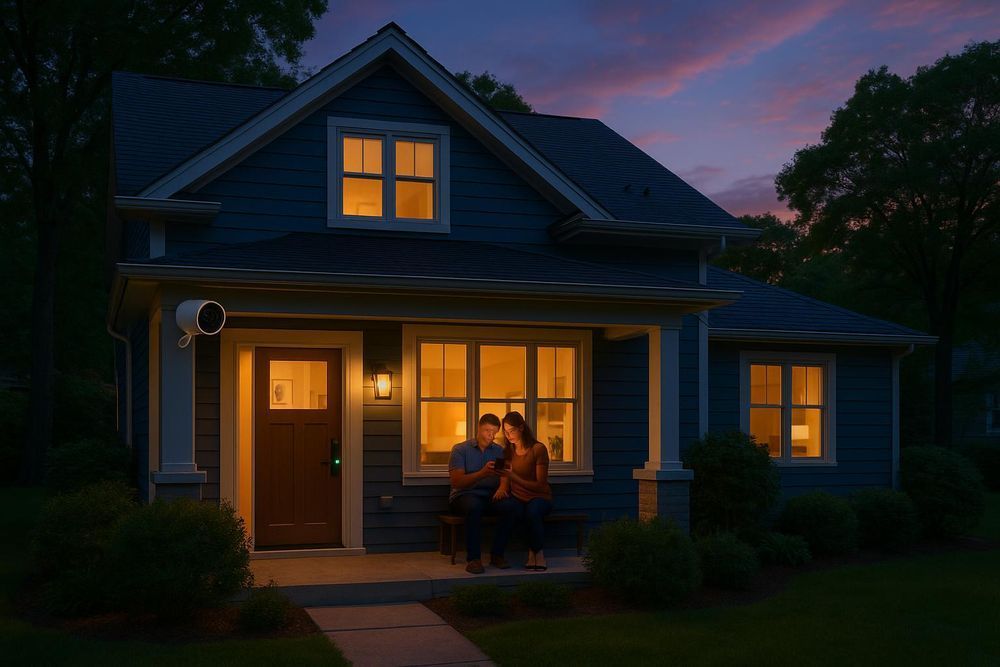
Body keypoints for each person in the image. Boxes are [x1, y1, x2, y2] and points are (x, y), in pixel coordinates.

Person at [448, 413, 520, 574]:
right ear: (479, 428)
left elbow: (504, 474)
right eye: (488, 431)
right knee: (474, 506)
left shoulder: (499, 450)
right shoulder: (460, 450)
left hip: (490, 495)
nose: (491, 436)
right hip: (464, 495)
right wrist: (482, 473)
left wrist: (502, 487)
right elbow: (457, 482)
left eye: (494, 432)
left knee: (511, 506)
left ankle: (497, 554)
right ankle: (474, 559)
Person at [495, 411, 553, 571]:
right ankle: (498, 555)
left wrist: (513, 476)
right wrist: (502, 487)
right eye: (505, 432)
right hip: (517, 496)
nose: (508, 435)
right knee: (509, 509)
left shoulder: (538, 449)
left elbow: (540, 485)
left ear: (521, 428)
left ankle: (536, 553)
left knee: (533, 511)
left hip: (539, 496)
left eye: (512, 431)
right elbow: (504, 476)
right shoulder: (507, 451)